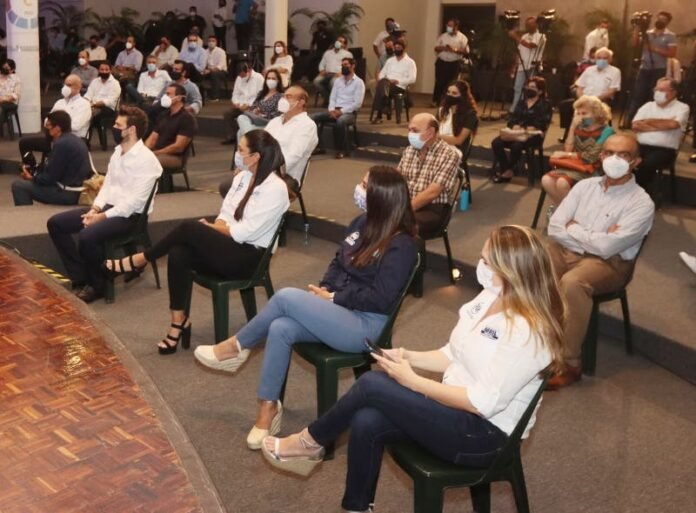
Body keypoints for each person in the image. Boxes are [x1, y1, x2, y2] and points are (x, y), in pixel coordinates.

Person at [260, 225, 564, 513]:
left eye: (487, 261)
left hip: (485, 436)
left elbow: (482, 403)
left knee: (372, 385)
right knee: (367, 419)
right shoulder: (491, 296)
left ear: (511, 271)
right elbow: (452, 354)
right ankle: (356, 507)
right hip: (454, 413)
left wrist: (413, 381)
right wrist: (407, 357)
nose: (480, 265)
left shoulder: (529, 331)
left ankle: (310, 442)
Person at [195, 166, 418, 451]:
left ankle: (235, 347)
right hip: (340, 310)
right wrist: (325, 289)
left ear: (381, 196)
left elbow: (381, 298)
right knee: (281, 327)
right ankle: (267, 409)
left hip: (365, 325)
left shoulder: (402, 244)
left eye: (365, 185)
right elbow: (338, 262)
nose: (358, 189)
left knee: (286, 297)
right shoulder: (361, 222)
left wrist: (334, 298)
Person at [104, 129, 289, 355]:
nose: (237, 154)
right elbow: (226, 213)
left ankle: (141, 259)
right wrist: (215, 227)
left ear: (256, 157)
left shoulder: (275, 188)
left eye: (241, 150)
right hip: (229, 245)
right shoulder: (243, 177)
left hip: (249, 258)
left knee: (190, 228)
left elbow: (244, 232)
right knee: (179, 252)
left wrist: (210, 229)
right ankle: (178, 321)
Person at [546, 133, 654, 388]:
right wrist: (595, 237)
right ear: (601, 156)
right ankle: (537, 343)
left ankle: (570, 363)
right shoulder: (584, 187)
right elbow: (555, 227)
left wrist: (575, 228)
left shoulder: (641, 203)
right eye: (609, 153)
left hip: (611, 264)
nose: (614, 159)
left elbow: (608, 248)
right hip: (568, 250)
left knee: (572, 283)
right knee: (533, 264)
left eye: (624, 155)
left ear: (636, 161)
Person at [47, 106, 162, 304]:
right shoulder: (118, 152)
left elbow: (133, 203)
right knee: (56, 223)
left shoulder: (147, 161)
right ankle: (81, 276)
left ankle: (98, 285)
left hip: (130, 217)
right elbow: (107, 186)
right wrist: (95, 209)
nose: (114, 128)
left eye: (118, 125)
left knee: (87, 236)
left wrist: (100, 217)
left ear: (131, 130)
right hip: (109, 209)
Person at [397, 113, 460, 238]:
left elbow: (433, 192)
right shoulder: (409, 150)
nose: (410, 134)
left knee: (397, 224)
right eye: (409, 130)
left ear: (431, 132)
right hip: (407, 202)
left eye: (415, 131)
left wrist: (403, 211)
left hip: (432, 209)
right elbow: (397, 178)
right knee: (377, 216)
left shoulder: (449, 155)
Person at [543, 96, 614, 206]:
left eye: (584, 113)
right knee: (546, 180)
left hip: (594, 168)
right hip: (576, 165)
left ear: (596, 114)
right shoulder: (579, 127)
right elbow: (568, 149)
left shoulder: (607, 131)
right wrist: (572, 127)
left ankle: (573, 211)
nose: (580, 117)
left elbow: (591, 157)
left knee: (562, 183)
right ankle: (562, 209)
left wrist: (567, 155)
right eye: (578, 113)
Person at [11, 111, 91, 207]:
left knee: (19, 186)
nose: (47, 129)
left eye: (49, 126)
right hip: (79, 190)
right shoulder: (77, 140)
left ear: (57, 128)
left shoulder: (61, 144)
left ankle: (26, 214)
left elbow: (50, 178)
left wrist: (32, 178)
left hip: (68, 193)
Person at [632, 77, 690, 190]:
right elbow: (635, 126)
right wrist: (664, 125)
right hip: (640, 146)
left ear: (673, 92)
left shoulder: (682, 107)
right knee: (622, 158)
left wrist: (647, 121)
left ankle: (638, 192)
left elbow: (673, 125)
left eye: (662, 90)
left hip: (665, 150)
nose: (658, 92)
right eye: (656, 89)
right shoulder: (647, 106)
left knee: (646, 164)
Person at [491, 76, 552, 183]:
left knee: (516, 146)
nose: (529, 89)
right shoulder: (522, 102)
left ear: (540, 91)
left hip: (533, 136)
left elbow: (541, 125)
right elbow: (512, 120)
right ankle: (507, 170)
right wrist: (513, 126)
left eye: (532, 87)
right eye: (528, 86)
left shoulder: (545, 105)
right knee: (496, 142)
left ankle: (506, 172)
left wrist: (524, 128)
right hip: (516, 133)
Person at [19, 75, 91, 160]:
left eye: (69, 85)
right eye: (65, 85)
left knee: (57, 148)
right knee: (24, 143)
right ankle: (31, 166)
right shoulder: (59, 102)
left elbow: (76, 126)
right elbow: (47, 120)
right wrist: (53, 124)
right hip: (54, 138)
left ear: (78, 87)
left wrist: (54, 125)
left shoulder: (84, 104)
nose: (65, 87)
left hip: (74, 140)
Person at [559, 47, 621, 143]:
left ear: (610, 60)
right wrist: (582, 99)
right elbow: (579, 86)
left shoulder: (615, 72)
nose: (601, 60)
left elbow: (611, 91)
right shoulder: (589, 70)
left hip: (601, 100)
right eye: (599, 58)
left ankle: (592, 137)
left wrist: (593, 100)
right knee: (565, 106)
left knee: (588, 111)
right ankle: (570, 133)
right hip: (584, 99)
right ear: (595, 59)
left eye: (605, 58)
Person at [626, 11, 677, 123]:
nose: (660, 21)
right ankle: (631, 120)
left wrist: (654, 49)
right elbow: (634, 44)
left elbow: (672, 53)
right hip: (644, 67)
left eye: (663, 19)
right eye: (659, 18)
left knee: (654, 95)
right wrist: (637, 28)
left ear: (668, 22)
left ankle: (649, 120)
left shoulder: (670, 36)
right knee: (638, 94)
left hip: (659, 69)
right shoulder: (647, 34)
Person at [310, 57, 365, 159]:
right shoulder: (338, 81)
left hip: (349, 113)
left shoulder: (359, 82)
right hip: (334, 110)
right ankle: (319, 147)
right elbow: (332, 98)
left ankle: (341, 150)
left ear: (353, 66)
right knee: (312, 118)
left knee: (340, 121)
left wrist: (341, 111)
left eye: (346, 65)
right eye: (342, 65)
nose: (343, 67)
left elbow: (357, 104)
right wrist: (331, 110)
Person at [145, 84, 197, 179]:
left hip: (175, 157)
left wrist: (156, 153)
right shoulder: (163, 115)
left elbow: (178, 147)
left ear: (179, 98)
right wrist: (143, 151)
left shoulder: (187, 118)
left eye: (168, 94)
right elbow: (152, 138)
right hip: (158, 152)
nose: (165, 97)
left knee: (148, 161)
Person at [371, 39, 417, 124]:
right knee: (383, 84)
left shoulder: (410, 62)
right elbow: (381, 74)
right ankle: (385, 106)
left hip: (399, 86)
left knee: (381, 87)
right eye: (395, 48)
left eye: (399, 48)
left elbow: (412, 79)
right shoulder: (390, 61)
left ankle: (380, 114)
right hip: (387, 83)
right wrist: (387, 80)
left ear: (404, 48)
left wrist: (398, 81)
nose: (396, 49)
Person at [507, 17, 546, 113]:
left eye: (531, 24)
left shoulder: (541, 36)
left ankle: (531, 110)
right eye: (527, 24)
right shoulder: (524, 36)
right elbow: (519, 51)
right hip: (522, 66)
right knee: (518, 88)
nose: (528, 26)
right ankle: (514, 110)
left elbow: (530, 45)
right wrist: (514, 66)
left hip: (533, 67)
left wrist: (515, 37)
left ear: (536, 25)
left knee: (532, 89)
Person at [221, 63, 264, 145]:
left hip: (252, 106)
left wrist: (249, 105)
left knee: (245, 116)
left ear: (248, 70)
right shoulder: (239, 78)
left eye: (243, 75)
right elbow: (235, 93)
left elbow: (260, 96)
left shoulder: (259, 78)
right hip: (240, 105)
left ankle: (248, 137)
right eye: (240, 75)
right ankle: (232, 136)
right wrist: (236, 103)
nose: (241, 77)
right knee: (227, 113)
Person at [435, 79, 478, 159]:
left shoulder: (470, 115)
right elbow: (435, 129)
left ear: (462, 96)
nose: (450, 95)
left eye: (454, 93)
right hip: (438, 144)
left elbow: (459, 141)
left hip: (455, 150)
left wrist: (436, 137)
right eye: (448, 92)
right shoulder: (442, 110)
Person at [236, 69, 283, 140]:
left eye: (273, 78)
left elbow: (278, 114)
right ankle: (251, 139)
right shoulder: (261, 93)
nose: (270, 80)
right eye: (268, 78)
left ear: (278, 80)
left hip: (267, 122)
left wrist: (263, 114)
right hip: (256, 119)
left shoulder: (281, 96)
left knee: (240, 131)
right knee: (241, 119)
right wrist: (255, 110)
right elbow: (253, 106)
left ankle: (250, 140)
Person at [432, 18, 469, 106]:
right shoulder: (443, 36)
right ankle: (436, 101)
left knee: (451, 83)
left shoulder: (462, 38)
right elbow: (436, 48)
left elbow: (466, 51)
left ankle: (449, 102)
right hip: (442, 62)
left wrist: (454, 49)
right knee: (439, 82)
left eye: (450, 26)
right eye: (447, 25)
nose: (448, 27)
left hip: (454, 63)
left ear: (456, 27)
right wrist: (444, 48)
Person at [84, 62, 122, 146]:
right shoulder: (95, 81)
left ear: (110, 71)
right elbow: (88, 95)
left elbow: (110, 101)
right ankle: (85, 141)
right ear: (98, 70)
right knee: (85, 112)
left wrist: (94, 104)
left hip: (108, 109)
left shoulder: (115, 84)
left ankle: (85, 142)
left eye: (106, 69)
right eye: (102, 69)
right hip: (92, 107)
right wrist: (87, 101)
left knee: (88, 115)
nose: (104, 71)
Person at [314, 36, 353, 106]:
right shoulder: (327, 53)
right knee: (316, 81)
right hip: (327, 73)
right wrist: (322, 70)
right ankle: (329, 100)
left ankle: (332, 101)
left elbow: (349, 66)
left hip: (339, 74)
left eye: (341, 41)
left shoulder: (347, 54)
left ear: (344, 45)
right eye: (337, 40)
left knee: (333, 82)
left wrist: (342, 72)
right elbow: (321, 64)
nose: (338, 42)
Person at [202, 35, 228, 101]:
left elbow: (220, 66)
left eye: (213, 41)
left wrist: (210, 70)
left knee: (215, 74)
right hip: (209, 71)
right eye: (209, 41)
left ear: (216, 42)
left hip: (221, 72)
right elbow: (203, 63)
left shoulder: (221, 51)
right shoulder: (205, 51)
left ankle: (215, 97)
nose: (211, 42)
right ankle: (201, 96)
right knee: (198, 74)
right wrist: (203, 70)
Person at [0, 59, 21, 130]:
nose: (4, 69)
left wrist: (2, 100)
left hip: (10, 103)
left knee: (1, 108)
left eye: (7, 68)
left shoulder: (16, 79)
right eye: (3, 67)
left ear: (12, 70)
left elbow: (15, 96)